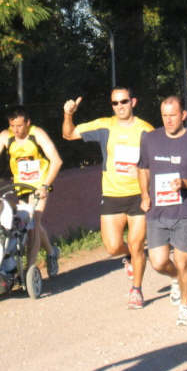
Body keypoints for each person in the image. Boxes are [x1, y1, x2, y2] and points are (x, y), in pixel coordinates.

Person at [63, 87, 153, 309]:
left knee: (136, 243)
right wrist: (68, 114)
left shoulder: (146, 130)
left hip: (138, 195)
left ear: (133, 102)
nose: (120, 106)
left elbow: (158, 161)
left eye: (124, 102)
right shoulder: (105, 125)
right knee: (113, 247)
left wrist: (142, 173)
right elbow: (69, 134)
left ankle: (136, 290)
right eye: (115, 103)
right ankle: (132, 257)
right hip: (112, 194)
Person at [138, 96, 187, 326]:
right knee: (158, 262)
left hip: (185, 210)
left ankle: (185, 307)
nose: (168, 120)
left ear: (183, 115)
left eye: (173, 115)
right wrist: (144, 195)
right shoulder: (150, 139)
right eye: (164, 115)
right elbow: (143, 168)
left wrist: (186, 184)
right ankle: (175, 279)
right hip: (157, 210)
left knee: (183, 262)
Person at [0, 106, 62, 277]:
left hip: (39, 186)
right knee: (28, 223)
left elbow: (56, 161)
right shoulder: (6, 136)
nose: (16, 130)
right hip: (21, 186)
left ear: (28, 122)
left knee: (33, 223)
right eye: (12, 126)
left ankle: (29, 269)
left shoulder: (37, 134)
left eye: (19, 126)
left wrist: (45, 186)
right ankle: (51, 252)